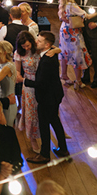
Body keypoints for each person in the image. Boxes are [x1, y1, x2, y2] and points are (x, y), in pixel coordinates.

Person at [25, 32, 70, 163]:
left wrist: (24, 81)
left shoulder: (47, 61)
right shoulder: (51, 52)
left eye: (39, 41)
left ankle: (44, 154)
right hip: (55, 95)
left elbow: (40, 84)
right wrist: (56, 49)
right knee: (55, 121)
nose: (36, 42)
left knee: (44, 126)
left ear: (47, 45)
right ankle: (63, 148)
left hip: (47, 98)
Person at [58, 0, 94, 89]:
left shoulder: (62, 4)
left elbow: (61, 17)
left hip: (64, 30)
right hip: (73, 32)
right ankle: (78, 81)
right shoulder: (71, 5)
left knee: (65, 53)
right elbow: (86, 15)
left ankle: (64, 74)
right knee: (77, 54)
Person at [15, 31, 44, 154]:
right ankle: (32, 139)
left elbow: (53, 48)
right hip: (28, 83)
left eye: (28, 45)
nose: (26, 48)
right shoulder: (19, 54)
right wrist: (21, 79)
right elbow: (17, 72)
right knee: (31, 112)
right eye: (24, 46)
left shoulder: (37, 50)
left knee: (42, 110)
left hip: (42, 82)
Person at [76, 0, 97, 87]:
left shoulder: (95, 0)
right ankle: (86, 76)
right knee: (84, 55)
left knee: (95, 56)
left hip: (93, 33)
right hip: (80, 32)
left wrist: (96, 24)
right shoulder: (75, 0)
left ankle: (96, 79)